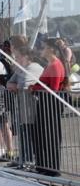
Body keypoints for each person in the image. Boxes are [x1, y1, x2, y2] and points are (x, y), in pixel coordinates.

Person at [33, 38, 68, 176]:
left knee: (50, 135)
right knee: (43, 134)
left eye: (43, 47)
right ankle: (44, 165)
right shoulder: (50, 64)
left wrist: (36, 88)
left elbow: (53, 88)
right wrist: (34, 87)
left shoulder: (55, 65)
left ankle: (52, 168)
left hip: (50, 104)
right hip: (44, 103)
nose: (41, 50)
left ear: (51, 50)